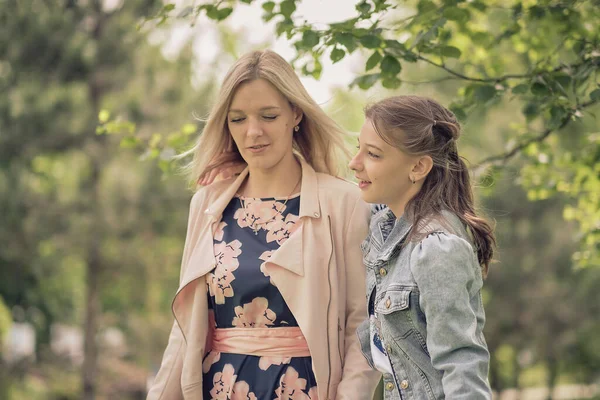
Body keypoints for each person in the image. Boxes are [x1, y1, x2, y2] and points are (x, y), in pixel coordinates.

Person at [146, 49, 381, 400]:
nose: (253, 132)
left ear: (295, 114)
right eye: (237, 119)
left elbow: (362, 326)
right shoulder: (208, 204)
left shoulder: (344, 204)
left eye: (268, 116)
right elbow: (186, 332)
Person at [349, 95, 495, 399]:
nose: (354, 163)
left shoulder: (436, 249)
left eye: (373, 154)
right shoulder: (386, 229)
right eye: (357, 149)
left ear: (418, 167)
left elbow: (462, 362)